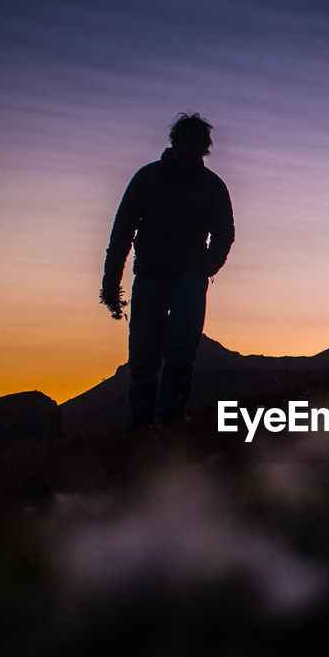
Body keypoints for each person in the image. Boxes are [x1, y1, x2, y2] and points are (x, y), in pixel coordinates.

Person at [101, 112, 235, 428]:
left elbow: (224, 233)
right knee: (144, 356)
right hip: (150, 275)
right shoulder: (147, 179)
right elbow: (122, 231)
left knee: (180, 351)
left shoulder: (212, 186)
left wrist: (205, 268)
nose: (191, 156)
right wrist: (111, 282)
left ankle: (169, 418)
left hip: (189, 276)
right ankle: (141, 423)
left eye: (197, 150)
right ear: (175, 143)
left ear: (203, 150)